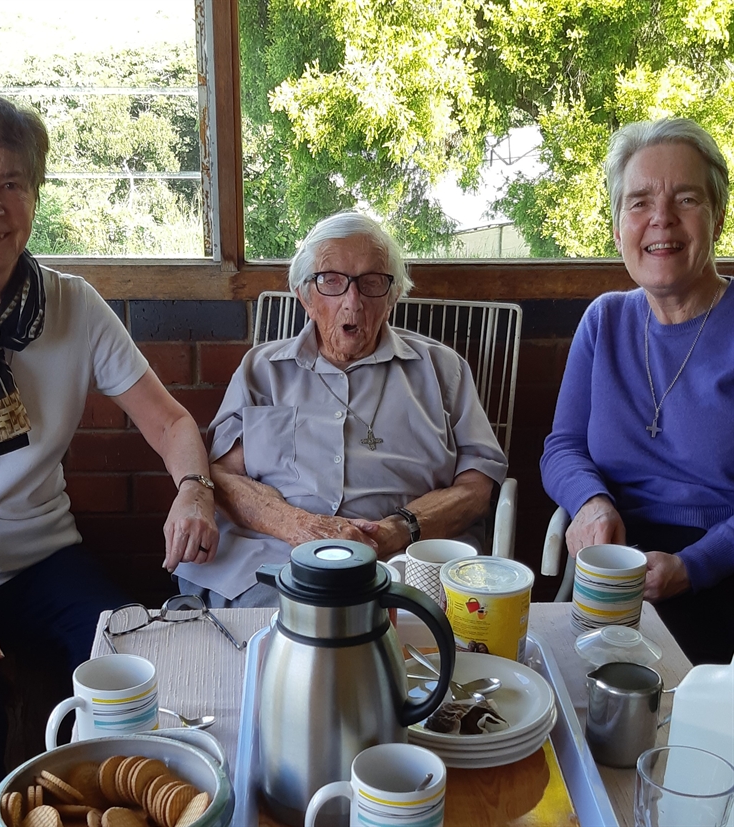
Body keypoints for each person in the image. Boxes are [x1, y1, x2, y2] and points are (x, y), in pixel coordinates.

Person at [0, 91, 218, 824]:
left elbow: (171, 420)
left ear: (35, 196)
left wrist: (194, 487)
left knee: (132, 671)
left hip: (46, 555)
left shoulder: (74, 305)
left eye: (12, 184)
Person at [174, 210, 508, 607]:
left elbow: (477, 487)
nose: (353, 301)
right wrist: (302, 527)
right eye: (331, 281)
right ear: (305, 296)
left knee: (396, 639)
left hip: (404, 563)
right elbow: (222, 477)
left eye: (372, 283)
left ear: (393, 296)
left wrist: (398, 530)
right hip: (274, 562)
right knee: (276, 643)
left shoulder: (442, 370)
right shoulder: (262, 371)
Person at [540, 118, 734, 665]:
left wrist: (696, 566)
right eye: (639, 202)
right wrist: (590, 501)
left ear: (717, 215)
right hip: (613, 562)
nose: (661, 220)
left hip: (720, 570)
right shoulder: (605, 320)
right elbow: (563, 447)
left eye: (686, 198)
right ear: (618, 224)